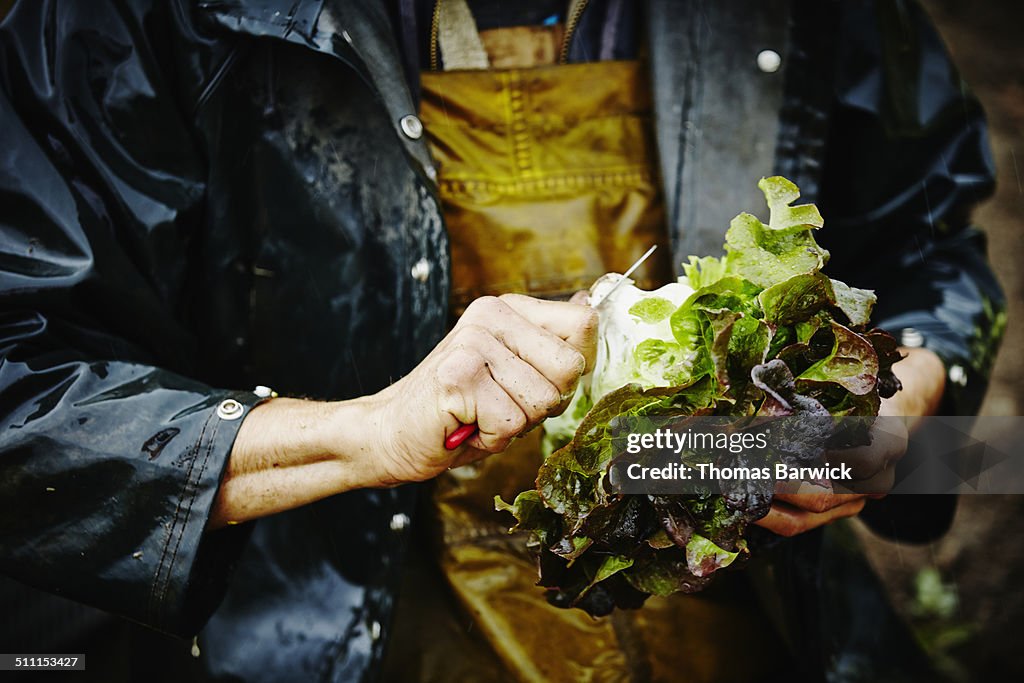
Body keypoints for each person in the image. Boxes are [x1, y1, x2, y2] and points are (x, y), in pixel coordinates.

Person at [0, 0, 1003, 681]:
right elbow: (21, 393)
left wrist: (902, 413)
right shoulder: (137, 23)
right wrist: (367, 432)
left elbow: (928, 250)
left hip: (760, 636)